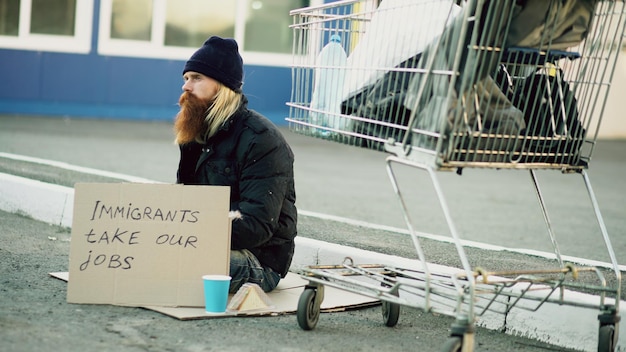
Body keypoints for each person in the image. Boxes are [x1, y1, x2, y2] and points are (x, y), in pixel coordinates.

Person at [174, 36, 297, 293]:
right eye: (186, 78)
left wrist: (193, 235)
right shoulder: (196, 134)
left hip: (258, 260)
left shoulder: (261, 139)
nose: (186, 86)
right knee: (151, 247)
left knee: (178, 258)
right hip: (204, 242)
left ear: (222, 86)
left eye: (196, 78)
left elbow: (257, 225)